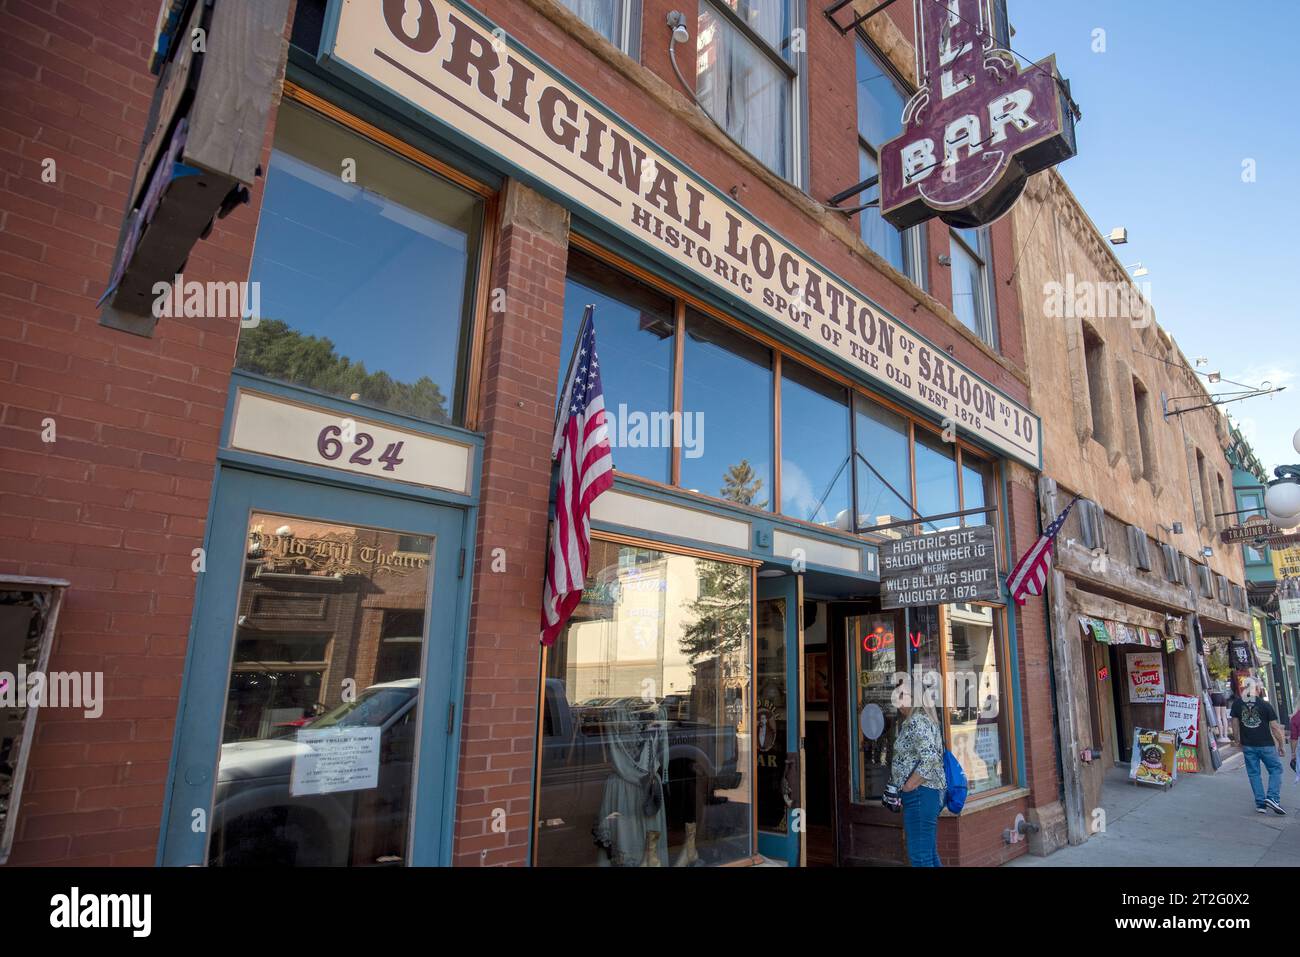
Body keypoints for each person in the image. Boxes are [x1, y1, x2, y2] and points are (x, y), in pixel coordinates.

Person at [890, 678, 946, 867]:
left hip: (920, 794)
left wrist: (909, 786)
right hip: (926, 794)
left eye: (901, 695)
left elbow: (930, 758)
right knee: (928, 855)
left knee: (920, 857)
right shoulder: (922, 719)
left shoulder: (917, 721)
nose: (897, 701)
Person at [1230, 677, 1287, 815]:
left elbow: (1235, 724)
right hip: (1266, 744)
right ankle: (1272, 798)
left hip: (1248, 745)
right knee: (1276, 769)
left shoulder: (1237, 704)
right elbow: (1275, 727)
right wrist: (1281, 745)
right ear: (1258, 689)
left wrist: (1237, 740)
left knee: (1254, 773)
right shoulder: (1265, 705)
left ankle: (1261, 804)